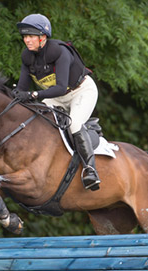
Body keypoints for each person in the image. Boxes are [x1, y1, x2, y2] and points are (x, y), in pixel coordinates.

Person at [14, 13, 101, 191]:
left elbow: (61, 87)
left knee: (74, 123)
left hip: (81, 91)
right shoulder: (27, 57)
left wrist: (32, 95)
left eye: (31, 36)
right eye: (25, 36)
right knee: (38, 120)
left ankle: (90, 169)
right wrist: (15, 94)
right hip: (56, 96)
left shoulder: (60, 51)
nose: (27, 40)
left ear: (43, 37)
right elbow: (22, 88)